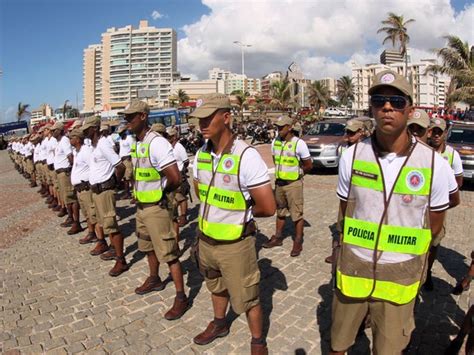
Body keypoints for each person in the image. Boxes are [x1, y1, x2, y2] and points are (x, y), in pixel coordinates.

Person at [330, 70, 451, 355]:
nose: (387, 107)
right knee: (337, 346)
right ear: (371, 107)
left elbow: (433, 227)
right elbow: (344, 213)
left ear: (410, 109)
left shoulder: (434, 165)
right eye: (379, 100)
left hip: (399, 279)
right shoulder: (352, 156)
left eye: (396, 101)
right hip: (353, 271)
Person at [191, 93, 276, 354]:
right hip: (206, 240)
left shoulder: (245, 156)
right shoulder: (201, 155)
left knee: (248, 297)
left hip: (236, 244)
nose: (202, 124)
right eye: (199, 119)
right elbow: (201, 194)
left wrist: (240, 217)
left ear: (226, 117)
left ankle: (258, 341)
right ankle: (219, 323)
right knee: (215, 285)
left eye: (208, 118)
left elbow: (268, 207)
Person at [122, 100, 189, 319]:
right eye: (127, 117)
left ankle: (181, 296)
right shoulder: (138, 142)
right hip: (142, 207)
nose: (127, 121)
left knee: (169, 253)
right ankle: (155, 278)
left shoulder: (156, 142)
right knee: (147, 246)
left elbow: (175, 177)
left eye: (131, 116)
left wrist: (162, 194)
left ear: (143, 116)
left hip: (156, 208)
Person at [81, 116, 129, 277]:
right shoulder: (94, 146)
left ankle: (121, 260)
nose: (84, 132)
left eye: (86, 129)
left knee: (111, 225)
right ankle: (114, 250)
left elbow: (120, 166)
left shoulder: (103, 145)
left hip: (105, 191)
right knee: (105, 224)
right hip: (97, 191)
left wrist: (115, 182)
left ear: (94, 129)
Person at [422, 117, 463, 291]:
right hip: (419, 205)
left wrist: (442, 200)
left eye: (440, 132)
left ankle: (428, 272)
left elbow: (458, 183)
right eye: (434, 132)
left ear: (445, 133)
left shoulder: (452, 155)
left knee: (433, 243)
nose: (437, 135)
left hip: (438, 206)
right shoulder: (422, 151)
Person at [263, 114, 312, 257]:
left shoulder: (299, 143)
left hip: (293, 185)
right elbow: (275, 160)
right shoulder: (275, 142)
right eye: (277, 127)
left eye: (281, 127)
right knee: (280, 212)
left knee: (296, 214)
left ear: (289, 127)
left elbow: (308, 164)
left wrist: (298, 175)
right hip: (279, 184)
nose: (278, 129)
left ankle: (298, 241)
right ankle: (278, 237)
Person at [326, 118, 367, 264]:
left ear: (361, 133)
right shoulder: (345, 149)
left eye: (351, 133)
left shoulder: (367, 152)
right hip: (347, 195)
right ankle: (339, 252)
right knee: (341, 226)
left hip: (362, 197)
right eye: (347, 132)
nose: (347, 136)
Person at [52, 121, 82, 235]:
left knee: (71, 197)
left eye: (54, 130)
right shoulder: (59, 142)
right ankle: (71, 217)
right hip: (60, 173)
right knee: (66, 197)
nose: (52, 132)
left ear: (59, 130)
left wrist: (72, 170)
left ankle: (76, 222)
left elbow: (70, 157)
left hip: (65, 172)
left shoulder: (64, 140)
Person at [69, 128, 99, 245]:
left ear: (78, 139)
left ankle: (100, 240)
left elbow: (93, 167)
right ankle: (92, 233)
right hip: (80, 189)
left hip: (86, 187)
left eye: (72, 137)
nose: (70, 140)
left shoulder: (86, 151)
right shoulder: (77, 151)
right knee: (86, 213)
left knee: (92, 214)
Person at [167, 127, 190, 228]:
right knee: (175, 197)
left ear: (174, 137)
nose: (168, 138)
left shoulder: (179, 147)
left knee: (181, 197)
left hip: (180, 173)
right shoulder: (168, 146)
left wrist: (182, 172)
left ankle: (183, 216)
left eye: (169, 136)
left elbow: (186, 161)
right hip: (172, 174)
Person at [117, 126, 134, 199]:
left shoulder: (129, 138)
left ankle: (132, 193)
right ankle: (128, 193)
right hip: (122, 160)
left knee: (129, 177)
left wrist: (131, 158)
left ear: (124, 132)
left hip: (128, 159)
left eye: (121, 133)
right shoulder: (121, 140)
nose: (120, 135)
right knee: (124, 178)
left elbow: (133, 148)